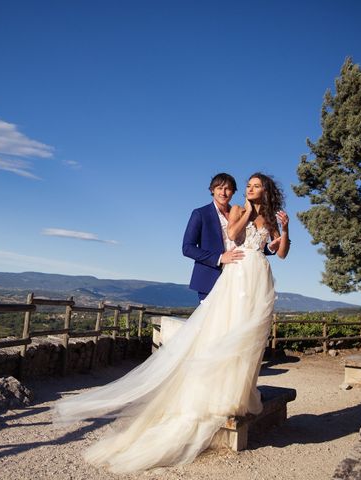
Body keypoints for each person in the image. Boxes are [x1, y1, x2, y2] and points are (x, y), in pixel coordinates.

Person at [53, 172, 290, 474]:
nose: (232, 191)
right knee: (215, 337)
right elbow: (199, 244)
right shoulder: (221, 212)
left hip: (257, 278)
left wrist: (284, 228)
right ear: (214, 190)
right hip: (226, 278)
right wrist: (223, 253)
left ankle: (236, 392)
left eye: (238, 187)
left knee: (247, 340)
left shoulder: (267, 217)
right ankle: (207, 393)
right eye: (228, 188)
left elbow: (276, 250)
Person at [182, 173, 281, 301]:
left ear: (233, 192)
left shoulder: (239, 212)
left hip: (241, 278)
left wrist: (269, 248)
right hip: (210, 279)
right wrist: (220, 258)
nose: (223, 192)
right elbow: (187, 248)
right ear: (212, 190)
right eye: (219, 188)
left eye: (227, 189)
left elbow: (250, 244)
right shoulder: (200, 214)